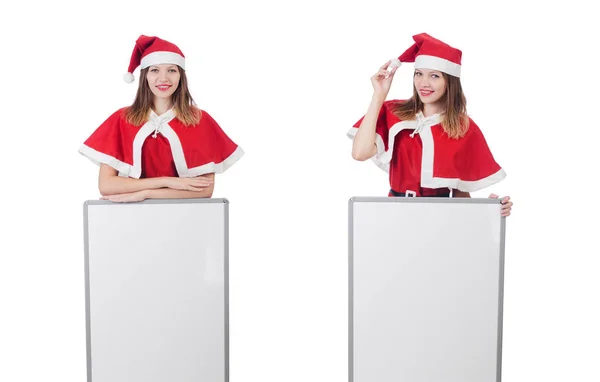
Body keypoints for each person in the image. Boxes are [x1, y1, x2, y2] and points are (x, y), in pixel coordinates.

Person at [348, 33, 512, 216]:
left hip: (441, 220)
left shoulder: (463, 127)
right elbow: (359, 153)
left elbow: (460, 195)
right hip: (395, 215)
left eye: (434, 76)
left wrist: (490, 210)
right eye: (419, 74)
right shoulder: (392, 111)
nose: (423, 83)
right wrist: (379, 95)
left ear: (449, 82)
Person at [79, 35, 243, 203]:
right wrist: (167, 182)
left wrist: (145, 194)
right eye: (155, 70)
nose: (163, 78)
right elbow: (107, 186)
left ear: (181, 76)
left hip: (187, 219)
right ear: (145, 76)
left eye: (171, 70)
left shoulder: (200, 120)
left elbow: (204, 190)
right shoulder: (121, 119)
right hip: (129, 218)